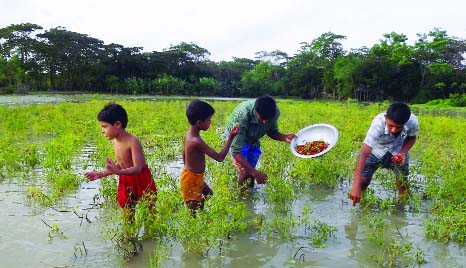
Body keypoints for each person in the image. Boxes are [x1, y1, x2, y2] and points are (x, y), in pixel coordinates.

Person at [84, 103, 157, 220]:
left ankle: (150, 235)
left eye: (105, 126)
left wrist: (117, 171)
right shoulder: (115, 142)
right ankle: (128, 236)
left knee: (149, 214)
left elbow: (137, 168)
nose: (102, 131)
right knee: (127, 211)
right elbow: (122, 165)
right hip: (125, 179)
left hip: (142, 179)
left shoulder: (132, 141)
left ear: (117, 124)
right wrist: (100, 174)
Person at [349, 102, 419, 206]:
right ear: (386, 117)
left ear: (405, 123)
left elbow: (412, 138)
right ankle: (362, 204)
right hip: (376, 150)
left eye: (398, 127)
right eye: (390, 125)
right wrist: (355, 185)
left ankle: (400, 210)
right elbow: (363, 154)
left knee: (402, 184)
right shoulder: (378, 123)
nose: (393, 130)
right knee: (363, 181)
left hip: (398, 149)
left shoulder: (412, 121)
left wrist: (402, 153)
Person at [224, 95, 296, 189]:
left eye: (268, 119)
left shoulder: (274, 112)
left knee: (251, 167)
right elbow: (236, 152)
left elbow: (271, 132)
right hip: (236, 135)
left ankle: (250, 192)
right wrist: (256, 173)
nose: (265, 122)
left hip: (253, 137)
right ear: (255, 111)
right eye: (262, 119)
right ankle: (242, 198)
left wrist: (284, 137)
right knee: (245, 170)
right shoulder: (242, 116)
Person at [181, 100, 239, 211]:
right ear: (199, 122)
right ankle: (197, 219)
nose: (210, 122)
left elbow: (183, 154)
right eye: (208, 120)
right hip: (191, 179)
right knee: (192, 213)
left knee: (208, 194)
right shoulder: (196, 141)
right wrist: (231, 137)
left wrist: (188, 169)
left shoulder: (188, 135)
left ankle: (202, 213)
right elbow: (220, 157)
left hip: (192, 176)